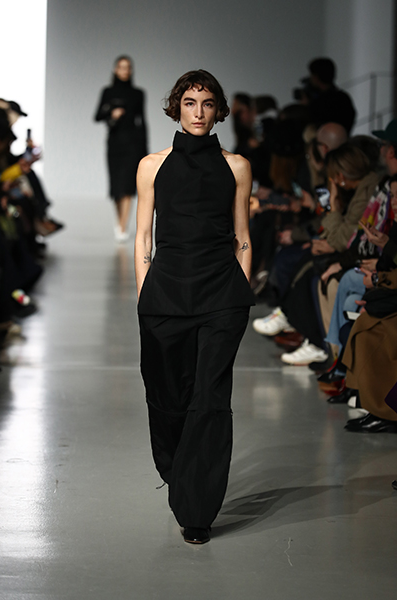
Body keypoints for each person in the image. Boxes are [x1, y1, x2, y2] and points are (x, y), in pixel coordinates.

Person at [134, 70, 255, 545]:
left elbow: (242, 236)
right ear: (176, 108)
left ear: (219, 109)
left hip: (221, 297)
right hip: (164, 297)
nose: (198, 112)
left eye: (207, 103)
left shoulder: (237, 167)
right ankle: (179, 472)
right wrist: (145, 295)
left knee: (210, 400)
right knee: (167, 399)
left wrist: (240, 290)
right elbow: (143, 236)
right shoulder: (152, 166)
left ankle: (197, 512)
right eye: (189, 102)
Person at [95, 55, 147, 242]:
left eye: (128, 67)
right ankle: (120, 221)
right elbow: (97, 116)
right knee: (116, 187)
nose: (125, 70)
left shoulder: (138, 93)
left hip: (133, 144)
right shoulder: (107, 92)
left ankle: (123, 225)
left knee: (127, 185)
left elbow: (142, 121)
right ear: (115, 69)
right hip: (115, 143)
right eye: (121, 67)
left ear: (131, 70)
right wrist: (112, 113)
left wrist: (145, 149)